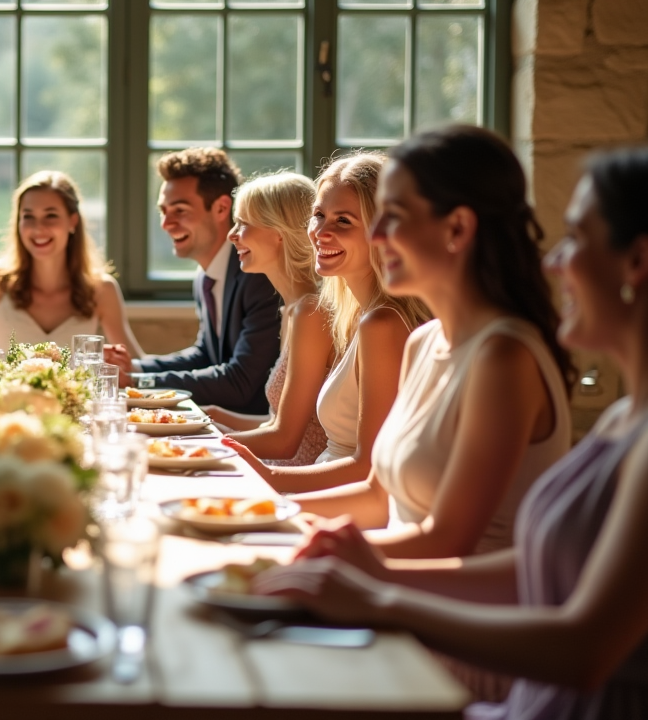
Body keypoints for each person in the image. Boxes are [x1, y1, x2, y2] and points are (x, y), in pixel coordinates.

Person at [257, 147, 648, 719]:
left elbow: (583, 643)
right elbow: (535, 567)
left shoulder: (505, 357)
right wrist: (289, 535)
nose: (555, 262)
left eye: (577, 238)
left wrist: (376, 592)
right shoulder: (619, 418)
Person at [263, 128, 572, 559]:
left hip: (450, 609)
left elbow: (447, 542)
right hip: (389, 584)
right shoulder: (423, 342)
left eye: (394, 215)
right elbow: (376, 498)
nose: (375, 236)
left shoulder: (504, 357)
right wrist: (259, 512)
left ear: (458, 228)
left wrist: (321, 555)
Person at [224, 153, 426, 486]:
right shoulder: (352, 316)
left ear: (381, 232)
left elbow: (368, 472)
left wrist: (264, 478)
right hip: (317, 491)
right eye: (318, 215)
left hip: (337, 507)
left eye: (343, 221)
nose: (321, 231)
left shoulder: (383, 324)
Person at [106, 148, 281, 414]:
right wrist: (136, 366)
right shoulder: (205, 278)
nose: (166, 223)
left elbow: (241, 382)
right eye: (163, 211)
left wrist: (138, 381)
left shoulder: (259, 275)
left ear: (222, 208)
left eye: (180, 210)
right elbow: (206, 355)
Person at [208, 172, 331, 466]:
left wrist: (202, 442)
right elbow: (271, 423)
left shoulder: (311, 312)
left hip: (294, 485)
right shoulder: (291, 311)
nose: (231, 235)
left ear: (280, 232)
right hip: (275, 472)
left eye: (243, 224)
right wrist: (207, 416)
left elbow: (284, 442)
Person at [0, 170, 144, 353]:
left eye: (51, 215)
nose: (38, 228)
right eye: (28, 216)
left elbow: (136, 365)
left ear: (73, 221)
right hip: (11, 387)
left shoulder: (102, 289)